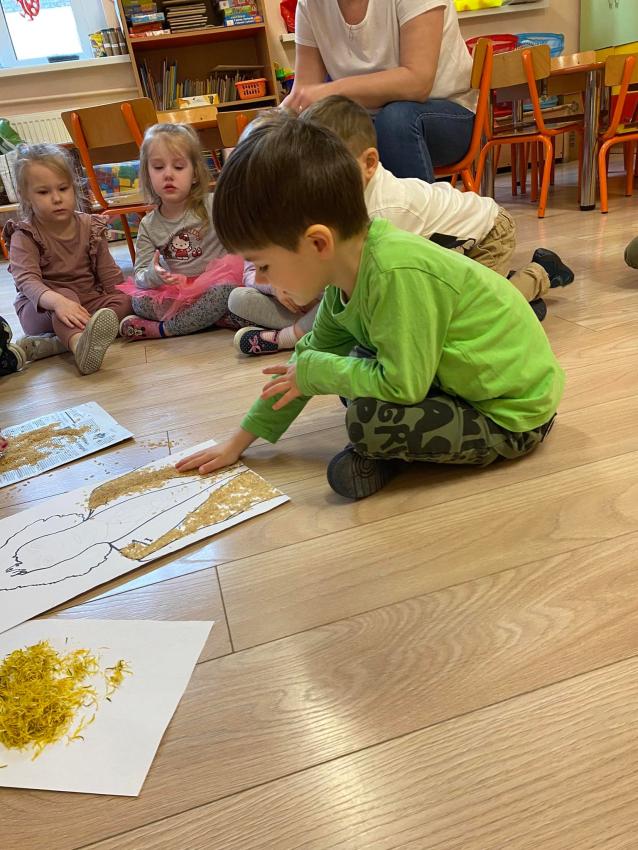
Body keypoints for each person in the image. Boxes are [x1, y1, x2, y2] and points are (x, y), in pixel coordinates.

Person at [176, 115, 565, 501]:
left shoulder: (395, 273)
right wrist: (237, 443)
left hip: (511, 414)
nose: (262, 280)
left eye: (263, 265)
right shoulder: (342, 279)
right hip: (453, 379)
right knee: (351, 368)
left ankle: (390, 455)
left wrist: (317, 373)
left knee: (365, 419)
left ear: (317, 244)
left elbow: (400, 385)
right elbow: (305, 362)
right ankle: (392, 453)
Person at [231, 97, 575, 354]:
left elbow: (381, 295)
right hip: (442, 241)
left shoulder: (382, 213)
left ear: (368, 163)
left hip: (486, 235)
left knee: (473, 314)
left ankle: (539, 274)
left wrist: (292, 337)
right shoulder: (343, 203)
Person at [282, 0, 476, 183]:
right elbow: (303, 94)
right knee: (306, 131)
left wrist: (333, 90)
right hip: (371, 121)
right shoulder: (310, 5)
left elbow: (418, 82)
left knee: (395, 119)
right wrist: (271, 127)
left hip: (446, 115)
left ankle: (408, 207)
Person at [2, 144, 132, 376]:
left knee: (124, 301)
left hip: (86, 303)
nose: (56, 198)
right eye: (43, 192)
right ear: (26, 197)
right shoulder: (25, 234)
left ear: (74, 187)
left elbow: (110, 275)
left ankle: (57, 344)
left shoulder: (91, 227)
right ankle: (78, 345)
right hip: (41, 310)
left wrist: (132, 297)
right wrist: (58, 302)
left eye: (63, 188)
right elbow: (27, 281)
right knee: (65, 295)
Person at [118, 124, 252, 340]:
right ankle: (212, 318)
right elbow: (140, 274)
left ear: (195, 174)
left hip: (217, 285)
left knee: (228, 291)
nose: (168, 174)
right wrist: (154, 275)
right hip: (179, 292)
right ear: (147, 174)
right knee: (137, 302)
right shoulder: (148, 225)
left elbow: (245, 232)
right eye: (158, 167)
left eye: (179, 167)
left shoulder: (214, 204)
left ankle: (162, 330)